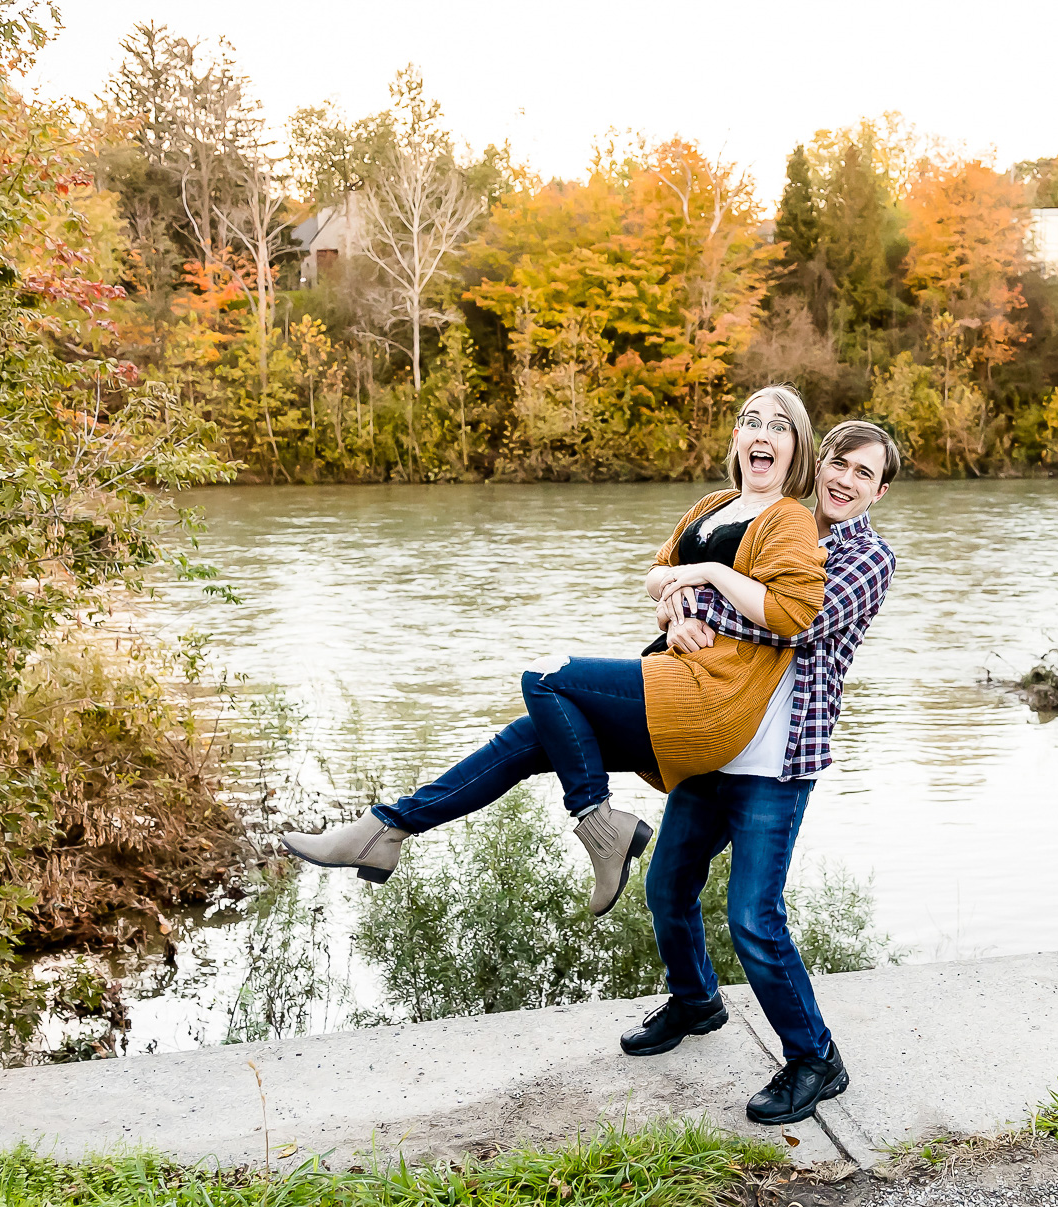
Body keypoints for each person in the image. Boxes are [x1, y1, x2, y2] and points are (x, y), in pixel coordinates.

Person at [280, 387, 826, 918]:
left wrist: (705, 573)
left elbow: (793, 612)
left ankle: (597, 823)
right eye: (753, 421)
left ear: (796, 450)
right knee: (529, 738)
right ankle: (387, 828)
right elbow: (655, 574)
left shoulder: (788, 519)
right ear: (735, 438)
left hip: (715, 698)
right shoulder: (714, 506)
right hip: (672, 676)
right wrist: (676, 603)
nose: (763, 435)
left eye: (780, 427)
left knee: (546, 677)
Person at [619, 420, 902, 1126]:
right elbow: (678, 577)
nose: (844, 480)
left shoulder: (870, 560)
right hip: (716, 736)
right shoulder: (770, 524)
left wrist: (696, 589)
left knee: (754, 916)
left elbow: (792, 622)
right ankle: (696, 1002)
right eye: (838, 463)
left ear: (879, 491)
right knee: (667, 886)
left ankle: (815, 1058)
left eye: (863, 474)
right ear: (818, 462)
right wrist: (672, 607)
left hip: (778, 759)